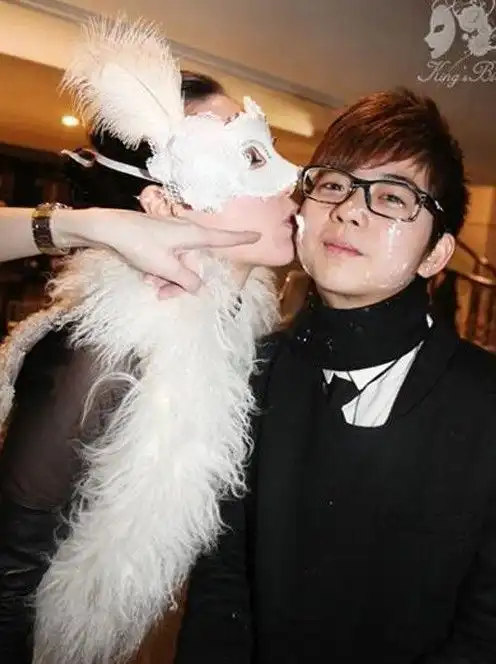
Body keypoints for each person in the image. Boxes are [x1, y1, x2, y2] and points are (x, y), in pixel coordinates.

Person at [0, 18, 297, 664]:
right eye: (250, 158)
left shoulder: (243, 330)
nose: (289, 178)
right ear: (164, 204)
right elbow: (7, 581)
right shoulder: (100, 350)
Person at [174, 88, 496, 664]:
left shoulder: (484, 402)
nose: (349, 209)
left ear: (436, 254)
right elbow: (221, 587)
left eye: (393, 197)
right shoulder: (246, 376)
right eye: (332, 184)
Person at [0, 72, 262, 294]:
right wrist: (82, 226)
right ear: (162, 202)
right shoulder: (103, 337)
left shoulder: (260, 322)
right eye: (248, 159)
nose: (281, 183)